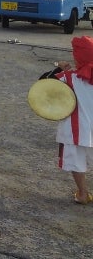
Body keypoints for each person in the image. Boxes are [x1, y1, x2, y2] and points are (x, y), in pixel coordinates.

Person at [51, 37, 93, 204]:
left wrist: (58, 69)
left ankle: (82, 193)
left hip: (74, 132)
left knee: (76, 162)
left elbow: (43, 86)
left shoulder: (68, 77)